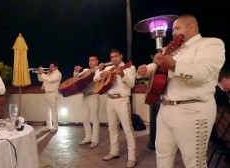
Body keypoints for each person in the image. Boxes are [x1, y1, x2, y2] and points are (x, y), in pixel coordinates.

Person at [137, 14, 225, 168]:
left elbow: (204, 73)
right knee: (162, 155)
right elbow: (158, 68)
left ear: (191, 27)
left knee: (194, 162)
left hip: (192, 111)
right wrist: (147, 70)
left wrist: (173, 65)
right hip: (165, 109)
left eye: (177, 28)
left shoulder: (210, 44)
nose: (173, 32)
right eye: (173, 29)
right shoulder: (173, 49)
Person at [94, 48, 137, 168]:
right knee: (112, 129)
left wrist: (122, 74)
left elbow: (131, 84)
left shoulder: (129, 68)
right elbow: (95, 78)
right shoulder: (108, 68)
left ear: (121, 56)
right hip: (110, 100)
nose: (113, 59)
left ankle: (132, 157)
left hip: (122, 101)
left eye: (116, 56)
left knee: (128, 130)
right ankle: (114, 151)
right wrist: (101, 73)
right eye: (112, 57)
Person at [74, 55, 100, 148]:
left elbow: (97, 78)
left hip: (93, 95)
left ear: (97, 61)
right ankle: (87, 137)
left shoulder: (98, 71)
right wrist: (76, 71)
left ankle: (95, 139)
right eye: (89, 60)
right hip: (85, 96)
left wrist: (98, 69)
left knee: (94, 119)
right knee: (85, 118)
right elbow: (76, 79)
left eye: (93, 60)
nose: (91, 62)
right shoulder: (85, 71)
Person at [37, 61, 62, 133]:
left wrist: (42, 73)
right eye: (50, 66)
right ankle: (48, 126)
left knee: (54, 111)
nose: (49, 67)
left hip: (53, 93)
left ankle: (55, 126)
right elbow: (41, 79)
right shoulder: (49, 73)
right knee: (47, 111)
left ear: (56, 67)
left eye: (51, 66)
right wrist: (39, 73)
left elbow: (50, 80)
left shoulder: (58, 74)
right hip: (47, 93)